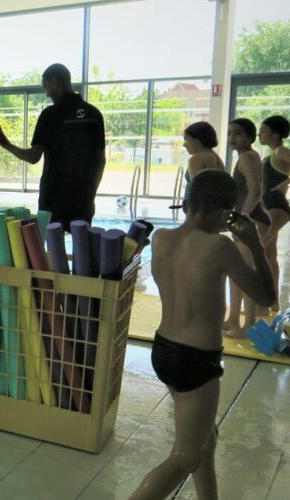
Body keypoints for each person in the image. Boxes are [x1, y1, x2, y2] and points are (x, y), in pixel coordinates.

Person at [129, 170, 275, 500]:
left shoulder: (162, 239)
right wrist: (255, 243)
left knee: (205, 440)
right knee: (185, 455)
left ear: (186, 203)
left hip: (163, 351)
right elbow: (267, 297)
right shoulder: (220, 247)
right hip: (196, 360)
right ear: (227, 214)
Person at [0, 63, 105, 231]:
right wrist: (91, 194)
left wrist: (7, 145)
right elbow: (101, 161)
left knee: (52, 249)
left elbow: (33, 157)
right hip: (83, 198)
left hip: (54, 196)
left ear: (54, 82)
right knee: (82, 249)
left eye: (46, 87)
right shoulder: (93, 114)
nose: (46, 94)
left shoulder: (49, 115)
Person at [224, 118, 269, 337]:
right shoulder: (246, 156)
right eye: (230, 133)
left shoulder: (248, 157)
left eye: (238, 133)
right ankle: (234, 318)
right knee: (237, 272)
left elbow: (255, 192)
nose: (232, 138)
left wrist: (241, 219)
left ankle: (249, 325)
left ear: (250, 137)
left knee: (246, 274)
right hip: (247, 220)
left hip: (251, 220)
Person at [257, 115, 290, 313]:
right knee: (269, 254)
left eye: (263, 130)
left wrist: (285, 183)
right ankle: (273, 302)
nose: (260, 134)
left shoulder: (281, 150)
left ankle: (262, 303)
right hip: (269, 207)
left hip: (277, 207)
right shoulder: (272, 153)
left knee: (259, 251)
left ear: (276, 134)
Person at [183, 122, 225, 197]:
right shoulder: (216, 157)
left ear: (197, 140)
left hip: (199, 207)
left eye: (186, 139)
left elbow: (195, 191)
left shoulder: (196, 159)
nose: (184, 144)